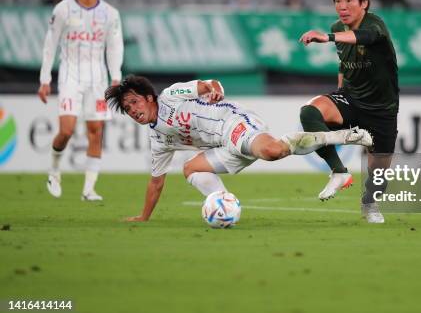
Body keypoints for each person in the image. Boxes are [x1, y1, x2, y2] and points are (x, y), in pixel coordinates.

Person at [104, 75, 372, 222]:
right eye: (127, 109)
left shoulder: (170, 96)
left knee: (272, 152)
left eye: (134, 102)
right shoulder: (158, 141)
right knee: (190, 169)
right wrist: (143, 217)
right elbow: (156, 183)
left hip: (233, 122)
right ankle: (225, 208)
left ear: (149, 97)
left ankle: (344, 136)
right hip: (224, 146)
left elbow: (211, 84)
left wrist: (214, 91)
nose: (133, 111)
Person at [298, 0, 399, 224]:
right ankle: (339, 171)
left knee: (378, 174)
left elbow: (362, 38)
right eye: (338, 1)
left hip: (382, 110)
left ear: (364, 3)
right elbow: (345, 63)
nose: (342, 7)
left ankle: (370, 204)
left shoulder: (375, 25)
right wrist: (340, 91)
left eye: (349, 0)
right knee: (309, 112)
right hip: (351, 100)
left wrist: (327, 37)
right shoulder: (336, 28)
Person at [38, 0, 124, 201]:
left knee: (96, 130)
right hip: (70, 76)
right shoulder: (63, 9)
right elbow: (49, 45)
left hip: (98, 79)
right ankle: (54, 170)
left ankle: (88, 189)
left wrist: (116, 77)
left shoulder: (110, 13)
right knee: (66, 130)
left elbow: (115, 47)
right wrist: (45, 79)